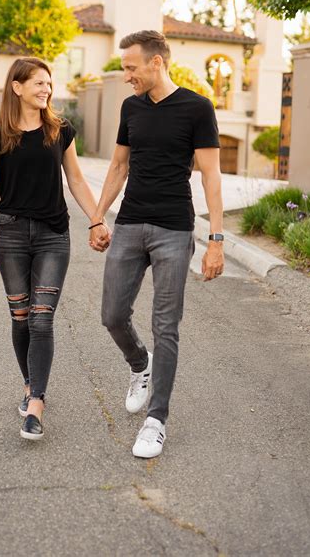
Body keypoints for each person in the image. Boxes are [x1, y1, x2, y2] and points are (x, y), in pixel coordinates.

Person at [89, 30, 224, 459]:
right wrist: (97, 216)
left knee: (166, 325)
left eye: (130, 67)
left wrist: (215, 239)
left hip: (174, 229)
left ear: (156, 63)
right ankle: (138, 365)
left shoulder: (197, 108)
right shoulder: (131, 108)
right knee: (112, 315)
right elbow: (118, 165)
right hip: (129, 223)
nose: (126, 75)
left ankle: (156, 420)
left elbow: (211, 176)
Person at [0, 57, 109, 441]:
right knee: (20, 317)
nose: (46, 89)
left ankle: (36, 402)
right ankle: (29, 383)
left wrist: (97, 218)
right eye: (38, 83)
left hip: (54, 235)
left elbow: (77, 181)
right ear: (16, 87)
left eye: (49, 83)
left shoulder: (59, 130)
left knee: (41, 318)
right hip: (12, 237)